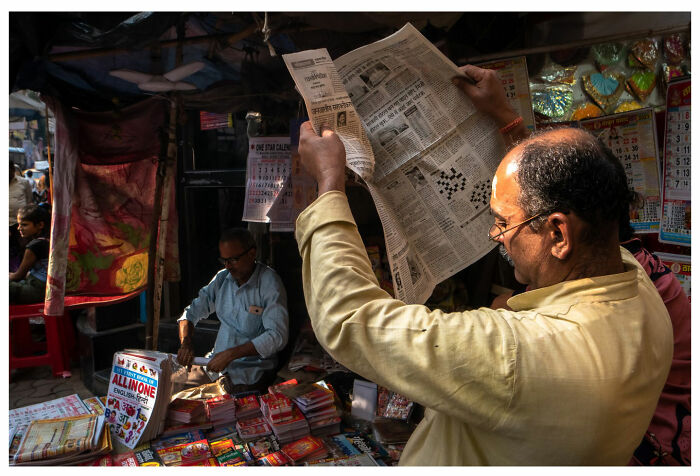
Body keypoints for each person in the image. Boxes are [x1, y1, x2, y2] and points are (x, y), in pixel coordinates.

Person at [293, 64, 673, 465]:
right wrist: (508, 121)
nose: (497, 236)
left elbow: (350, 318)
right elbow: (569, 186)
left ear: (559, 235)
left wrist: (329, 183)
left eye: (504, 222)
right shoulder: (639, 290)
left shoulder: (519, 356)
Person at [176, 228, 289, 394]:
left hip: (250, 371)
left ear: (252, 254)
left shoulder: (269, 283)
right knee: (171, 387)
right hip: (214, 365)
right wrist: (186, 342)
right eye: (224, 260)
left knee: (204, 406)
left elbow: (277, 336)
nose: (228, 266)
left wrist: (231, 355)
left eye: (234, 259)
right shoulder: (222, 279)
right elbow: (191, 313)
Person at [9, 204, 51, 304]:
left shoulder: (35, 246)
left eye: (24, 225)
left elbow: (18, 276)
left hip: (37, 291)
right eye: (19, 225)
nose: (19, 228)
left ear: (40, 225)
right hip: (47, 289)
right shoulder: (49, 240)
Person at [9, 160, 34, 271]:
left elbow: (29, 203)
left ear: (13, 170)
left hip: (21, 225)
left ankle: (23, 273)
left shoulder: (24, 183)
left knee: (24, 251)